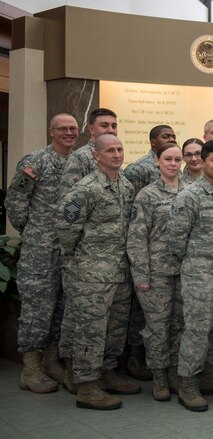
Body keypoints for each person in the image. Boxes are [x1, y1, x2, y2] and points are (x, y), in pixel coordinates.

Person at [57, 134, 137, 410]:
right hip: (92, 273)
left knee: (115, 327)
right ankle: (87, 385)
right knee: (90, 329)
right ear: (96, 155)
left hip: (119, 271)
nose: (117, 154)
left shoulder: (125, 185)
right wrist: (79, 259)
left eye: (120, 149)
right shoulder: (86, 188)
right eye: (110, 150)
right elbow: (67, 229)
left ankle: (107, 372)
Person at [168, 140, 213, 412]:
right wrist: (193, 265)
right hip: (200, 274)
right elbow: (175, 240)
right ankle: (187, 383)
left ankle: (210, 374)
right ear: (202, 161)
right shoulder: (190, 195)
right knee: (197, 331)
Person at [6, 113, 77, 394]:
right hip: (40, 252)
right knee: (37, 310)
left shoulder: (77, 163)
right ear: (52, 132)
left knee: (60, 308)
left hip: (68, 251)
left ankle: (51, 361)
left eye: (73, 129)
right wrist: (33, 232)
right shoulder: (35, 162)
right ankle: (31, 369)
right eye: (63, 129)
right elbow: (15, 201)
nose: (69, 133)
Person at [126, 143, 186, 402]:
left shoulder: (190, 192)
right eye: (168, 159)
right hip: (157, 272)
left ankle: (174, 373)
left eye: (177, 159)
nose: (173, 164)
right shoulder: (147, 195)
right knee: (157, 328)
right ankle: (159, 377)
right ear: (157, 162)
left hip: (185, 272)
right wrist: (141, 275)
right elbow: (137, 238)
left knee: (180, 326)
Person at [60, 108, 118, 194]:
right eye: (104, 126)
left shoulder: (116, 156)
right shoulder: (80, 158)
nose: (111, 130)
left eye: (114, 126)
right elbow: (67, 198)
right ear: (91, 129)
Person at [124, 125, 178, 196]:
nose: (172, 140)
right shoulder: (137, 169)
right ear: (153, 142)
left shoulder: (175, 166)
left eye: (174, 137)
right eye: (166, 137)